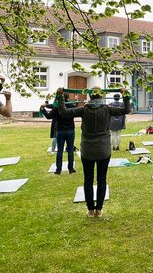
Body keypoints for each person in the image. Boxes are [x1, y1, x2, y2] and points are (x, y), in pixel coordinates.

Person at [57, 86, 130, 217]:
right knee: (102, 179)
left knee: (88, 180)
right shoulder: (107, 109)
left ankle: (91, 209)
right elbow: (127, 109)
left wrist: (60, 96)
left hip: (87, 150)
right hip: (103, 150)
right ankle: (99, 209)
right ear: (101, 96)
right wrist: (124, 94)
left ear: (90, 96)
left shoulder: (84, 110)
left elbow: (63, 112)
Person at [40, 93, 77, 174]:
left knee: (60, 150)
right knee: (70, 150)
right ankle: (71, 169)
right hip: (70, 130)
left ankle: (58, 169)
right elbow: (77, 110)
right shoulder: (71, 106)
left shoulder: (57, 107)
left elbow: (49, 116)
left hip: (60, 131)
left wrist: (43, 109)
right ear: (68, 97)